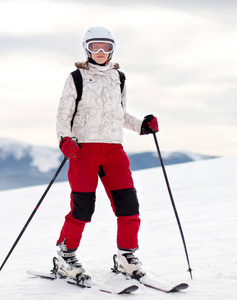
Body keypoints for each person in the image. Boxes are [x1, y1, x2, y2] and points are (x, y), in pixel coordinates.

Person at [55, 26, 159, 283]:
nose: (101, 52)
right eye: (95, 47)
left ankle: (126, 256)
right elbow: (63, 114)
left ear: (113, 49)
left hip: (114, 150)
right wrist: (64, 139)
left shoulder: (119, 78)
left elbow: (119, 114)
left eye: (106, 47)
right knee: (82, 208)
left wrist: (141, 126)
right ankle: (65, 257)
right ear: (86, 49)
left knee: (129, 206)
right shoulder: (76, 77)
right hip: (84, 150)